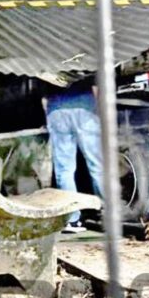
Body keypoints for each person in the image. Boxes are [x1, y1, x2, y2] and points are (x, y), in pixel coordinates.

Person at [45, 82, 103, 234]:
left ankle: (71, 220)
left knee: (64, 169)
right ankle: (109, 212)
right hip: (84, 107)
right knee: (97, 166)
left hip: (56, 110)